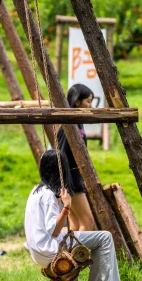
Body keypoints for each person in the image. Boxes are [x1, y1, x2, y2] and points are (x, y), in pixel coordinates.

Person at [24, 150, 134, 281]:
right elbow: (53, 230)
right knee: (104, 237)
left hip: (37, 250)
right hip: (48, 249)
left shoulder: (36, 190)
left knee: (94, 239)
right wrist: (66, 207)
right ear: (62, 170)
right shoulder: (48, 194)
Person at [56, 84, 96, 231]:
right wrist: (64, 182)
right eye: (88, 101)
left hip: (70, 177)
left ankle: (66, 253)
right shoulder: (71, 124)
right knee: (87, 221)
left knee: (75, 225)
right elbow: (62, 152)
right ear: (77, 102)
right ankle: (79, 254)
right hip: (71, 178)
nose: (90, 106)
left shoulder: (76, 122)